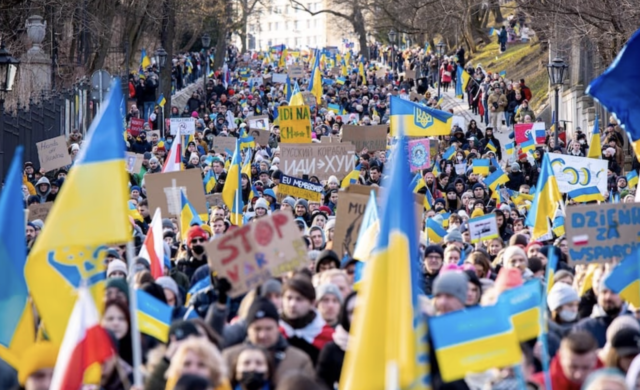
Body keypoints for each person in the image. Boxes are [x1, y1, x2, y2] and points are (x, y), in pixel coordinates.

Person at [222, 298, 314, 385]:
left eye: (268, 329)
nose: (263, 335)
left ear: (278, 328)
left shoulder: (299, 360)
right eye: (257, 329)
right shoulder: (229, 357)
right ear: (247, 329)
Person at [279, 277, 334, 364]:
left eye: (299, 299)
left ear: (312, 303)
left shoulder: (327, 336)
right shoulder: (273, 331)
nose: (292, 304)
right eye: (289, 298)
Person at [531, 331, 603, 390]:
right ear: (561, 357)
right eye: (572, 367)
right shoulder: (538, 385)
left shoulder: (611, 384)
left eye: (586, 367)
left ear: (595, 360)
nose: (578, 375)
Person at [316, 291, 356, 389]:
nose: (357, 316)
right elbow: (321, 382)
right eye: (352, 312)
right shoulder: (331, 349)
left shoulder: (386, 345)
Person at [573, 278, 627, 347]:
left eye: (613, 292)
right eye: (604, 292)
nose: (608, 297)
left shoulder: (634, 324)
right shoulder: (584, 328)